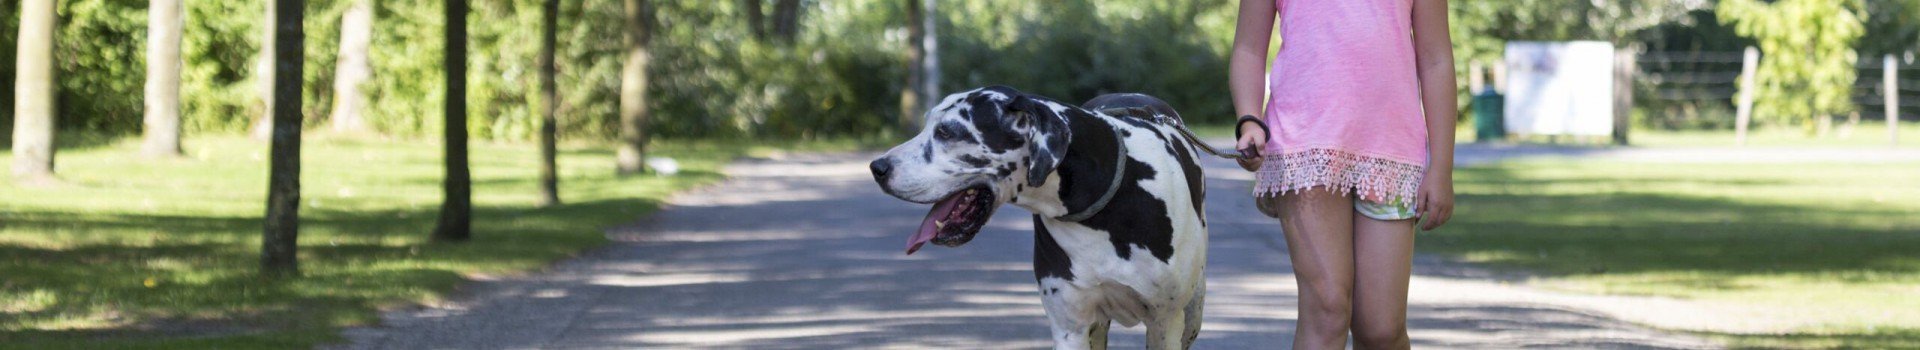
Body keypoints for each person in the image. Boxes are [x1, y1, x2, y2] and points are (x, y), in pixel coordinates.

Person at [1227, 0, 1456, 348]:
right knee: (1328, 310)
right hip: (1304, 147)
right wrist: (1248, 118)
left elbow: (1437, 59)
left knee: (1381, 330)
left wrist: (1440, 168)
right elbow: (1247, 49)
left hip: (1391, 153)